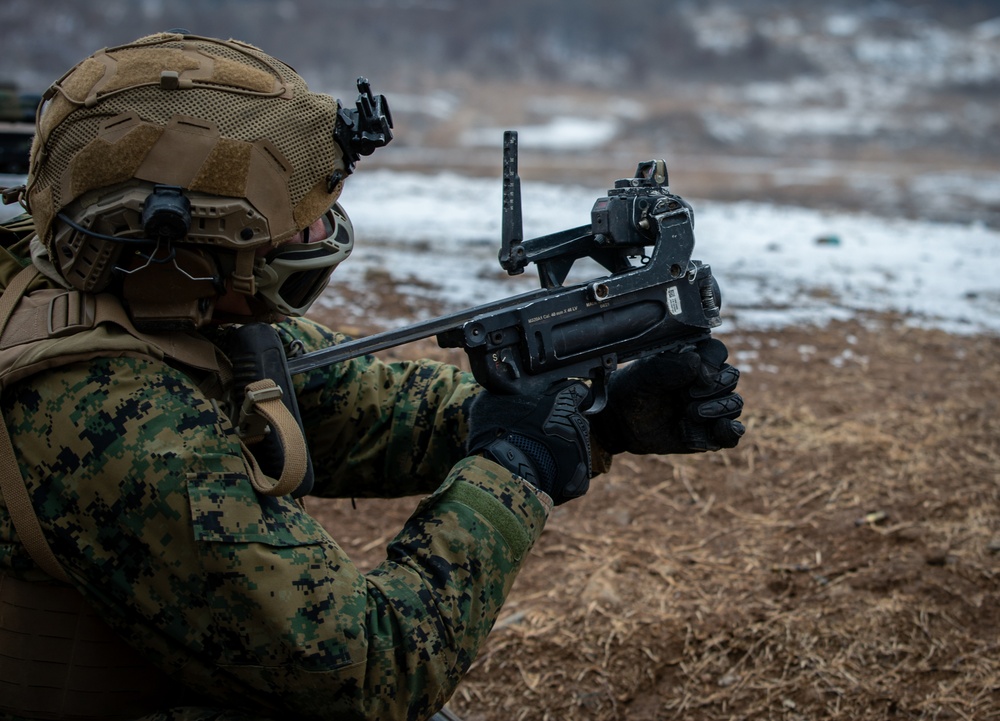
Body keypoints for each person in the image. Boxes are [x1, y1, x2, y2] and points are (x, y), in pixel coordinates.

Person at [0, 32, 744, 721]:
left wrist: (589, 417)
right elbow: (374, 669)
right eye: (293, 220)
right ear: (180, 241)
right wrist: (514, 469)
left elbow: (355, 403)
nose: (322, 232)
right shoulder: (124, 426)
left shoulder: (129, 300)